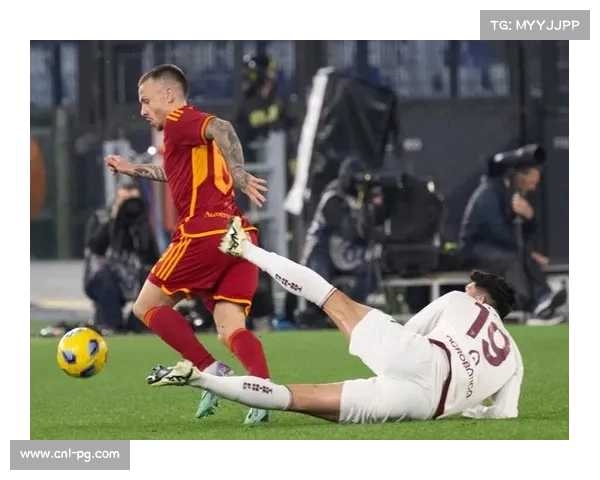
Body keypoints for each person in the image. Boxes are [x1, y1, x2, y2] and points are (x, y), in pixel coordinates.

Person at [146, 216, 524, 424]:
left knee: (330, 298)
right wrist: (472, 406)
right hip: (426, 405)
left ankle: (243, 247)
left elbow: (410, 330)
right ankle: (199, 379)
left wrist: (376, 338)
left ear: (480, 296)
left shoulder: (461, 300)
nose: (467, 289)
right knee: (297, 399)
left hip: (421, 358)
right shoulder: (515, 359)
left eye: (472, 287)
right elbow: (505, 413)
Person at [104, 64, 272, 425]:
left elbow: (223, 128)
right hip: (237, 235)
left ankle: (210, 371)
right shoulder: (185, 135)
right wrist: (134, 169)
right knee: (231, 329)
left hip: (202, 233)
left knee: (145, 306)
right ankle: (262, 394)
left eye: (145, 100)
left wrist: (239, 174)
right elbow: (175, 172)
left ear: (168, 95)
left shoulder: (181, 119)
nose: (142, 110)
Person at [459, 159, 566, 326]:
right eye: (532, 179)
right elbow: (497, 232)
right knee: (513, 258)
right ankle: (533, 304)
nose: (535, 185)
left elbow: (520, 234)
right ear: (519, 176)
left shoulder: (509, 193)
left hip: (495, 247)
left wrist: (529, 216)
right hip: (474, 249)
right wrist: (527, 252)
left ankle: (542, 298)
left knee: (520, 255)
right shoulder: (490, 192)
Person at [83, 177, 159, 334]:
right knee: (105, 279)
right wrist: (114, 218)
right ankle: (112, 324)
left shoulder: (141, 221)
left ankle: (137, 323)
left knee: (152, 281)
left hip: (131, 275)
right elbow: (95, 247)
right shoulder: (101, 217)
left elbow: (152, 257)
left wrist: (140, 225)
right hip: (102, 275)